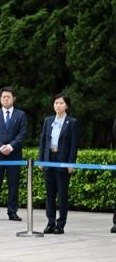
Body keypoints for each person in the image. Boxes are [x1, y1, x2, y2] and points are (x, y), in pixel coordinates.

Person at [39, 93, 80, 234]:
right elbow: (43, 141)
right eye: (56, 103)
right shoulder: (48, 120)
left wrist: (71, 163)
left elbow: (74, 145)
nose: (58, 105)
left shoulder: (72, 122)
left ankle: (60, 224)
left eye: (61, 103)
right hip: (49, 159)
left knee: (62, 194)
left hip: (62, 161)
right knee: (49, 193)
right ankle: (50, 222)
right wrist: (41, 159)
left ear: (66, 106)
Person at [0, 87, 28, 221]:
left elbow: (22, 134)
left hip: (14, 155)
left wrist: (11, 146)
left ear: (14, 98)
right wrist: (0, 146)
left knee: (13, 184)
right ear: (0, 99)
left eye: (9, 96)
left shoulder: (20, 115)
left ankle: (12, 211)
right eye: (4, 97)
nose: (6, 99)